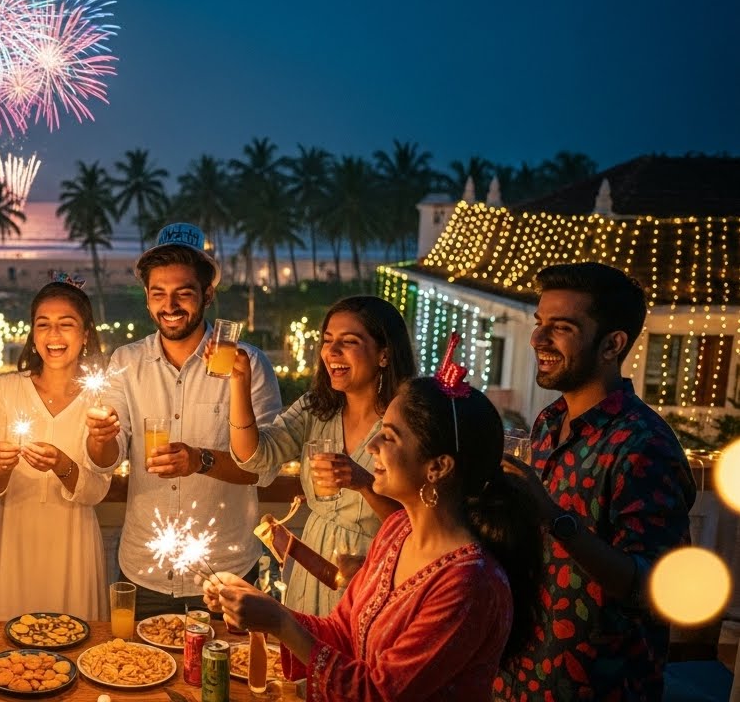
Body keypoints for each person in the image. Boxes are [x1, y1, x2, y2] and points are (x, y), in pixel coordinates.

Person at [204, 368, 545, 701]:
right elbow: (341, 633)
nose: (372, 446)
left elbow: (379, 691)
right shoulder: (397, 532)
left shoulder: (469, 585)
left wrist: (280, 623)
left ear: (438, 467)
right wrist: (264, 609)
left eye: (390, 436)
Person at [495, 263, 696, 702]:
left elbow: (654, 587)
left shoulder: (643, 445)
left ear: (613, 344)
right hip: (519, 671)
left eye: (562, 327)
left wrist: (553, 517)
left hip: (596, 682)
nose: (538, 339)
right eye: (539, 323)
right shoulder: (548, 424)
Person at [85, 223, 283, 618]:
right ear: (146, 298)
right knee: (136, 675)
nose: (169, 305)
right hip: (144, 569)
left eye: (183, 293)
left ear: (208, 295)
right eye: (158, 293)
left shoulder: (247, 363)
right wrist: (100, 435)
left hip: (224, 572)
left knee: (221, 678)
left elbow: (266, 468)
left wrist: (199, 460)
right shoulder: (126, 362)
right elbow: (106, 458)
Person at [224, 295, 416, 615]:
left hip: (373, 572)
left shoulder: (408, 422)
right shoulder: (317, 408)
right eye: (327, 341)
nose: (332, 352)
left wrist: (364, 482)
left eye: (349, 341)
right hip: (314, 569)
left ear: (384, 354)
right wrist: (239, 383)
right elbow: (255, 456)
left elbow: (418, 521)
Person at [0, 274, 115, 620]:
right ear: (32, 334)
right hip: (13, 540)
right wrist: (3, 466)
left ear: (85, 335)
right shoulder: (6, 389)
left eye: (66, 324)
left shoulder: (102, 396)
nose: (54, 335)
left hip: (72, 544)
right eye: (43, 324)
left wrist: (63, 464)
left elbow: (98, 488)